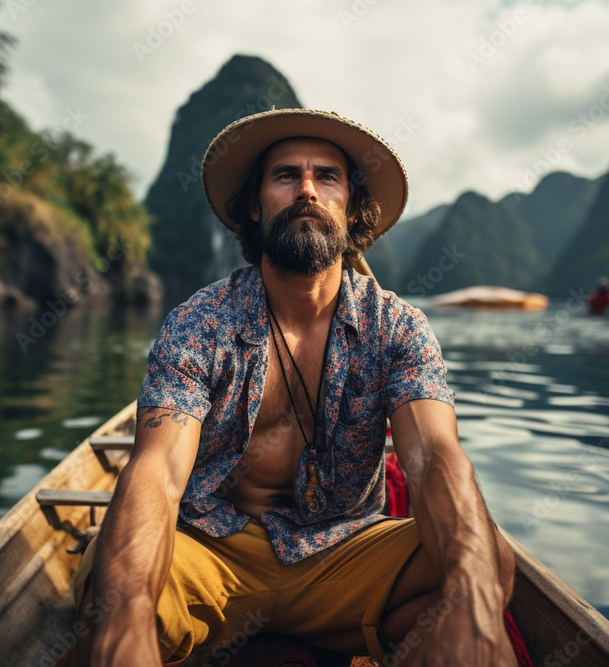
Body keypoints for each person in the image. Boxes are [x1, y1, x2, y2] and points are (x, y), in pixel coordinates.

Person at [68, 109, 517, 666]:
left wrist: (473, 602)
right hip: (209, 552)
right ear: (255, 206)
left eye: (327, 176)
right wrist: (127, 616)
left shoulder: (397, 328)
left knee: (485, 561)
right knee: (109, 602)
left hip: (342, 554)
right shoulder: (199, 323)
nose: (306, 189)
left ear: (350, 207)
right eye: (286, 175)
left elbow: (432, 458)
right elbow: (157, 473)